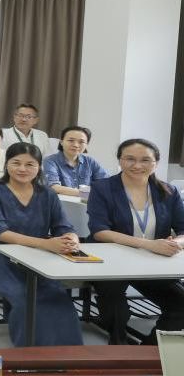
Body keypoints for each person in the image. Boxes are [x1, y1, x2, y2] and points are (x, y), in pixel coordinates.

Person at [0, 142, 82, 346]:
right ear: (7, 165)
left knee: (57, 296)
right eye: (16, 163)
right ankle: (30, 354)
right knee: (23, 297)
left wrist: (71, 238)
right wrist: (45, 244)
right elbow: (0, 233)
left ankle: (68, 355)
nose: (22, 169)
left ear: (39, 167)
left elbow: (63, 225)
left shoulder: (47, 194)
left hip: (37, 257)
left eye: (30, 164)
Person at [87, 139, 184, 345]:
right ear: (120, 161)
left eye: (145, 160)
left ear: (156, 163)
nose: (137, 165)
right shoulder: (102, 188)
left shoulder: (168, 191)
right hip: (110, 263)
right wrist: (150, 244)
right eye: (130, 159)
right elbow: (100, 231)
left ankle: (147, 352)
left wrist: (177, 242)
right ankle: (119, 346)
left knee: (180, 304)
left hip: (151, 263)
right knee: (117, 310)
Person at [43, 126, 109, 197]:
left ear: (86, 145)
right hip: (61, 202)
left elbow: (106, 184)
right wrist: (86, 193)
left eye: (81, 142)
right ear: (61, 142)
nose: (76, 145)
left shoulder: (90, 162)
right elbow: (54, 187)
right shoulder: (50, 161)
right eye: (71, 140)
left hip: (86, 202)